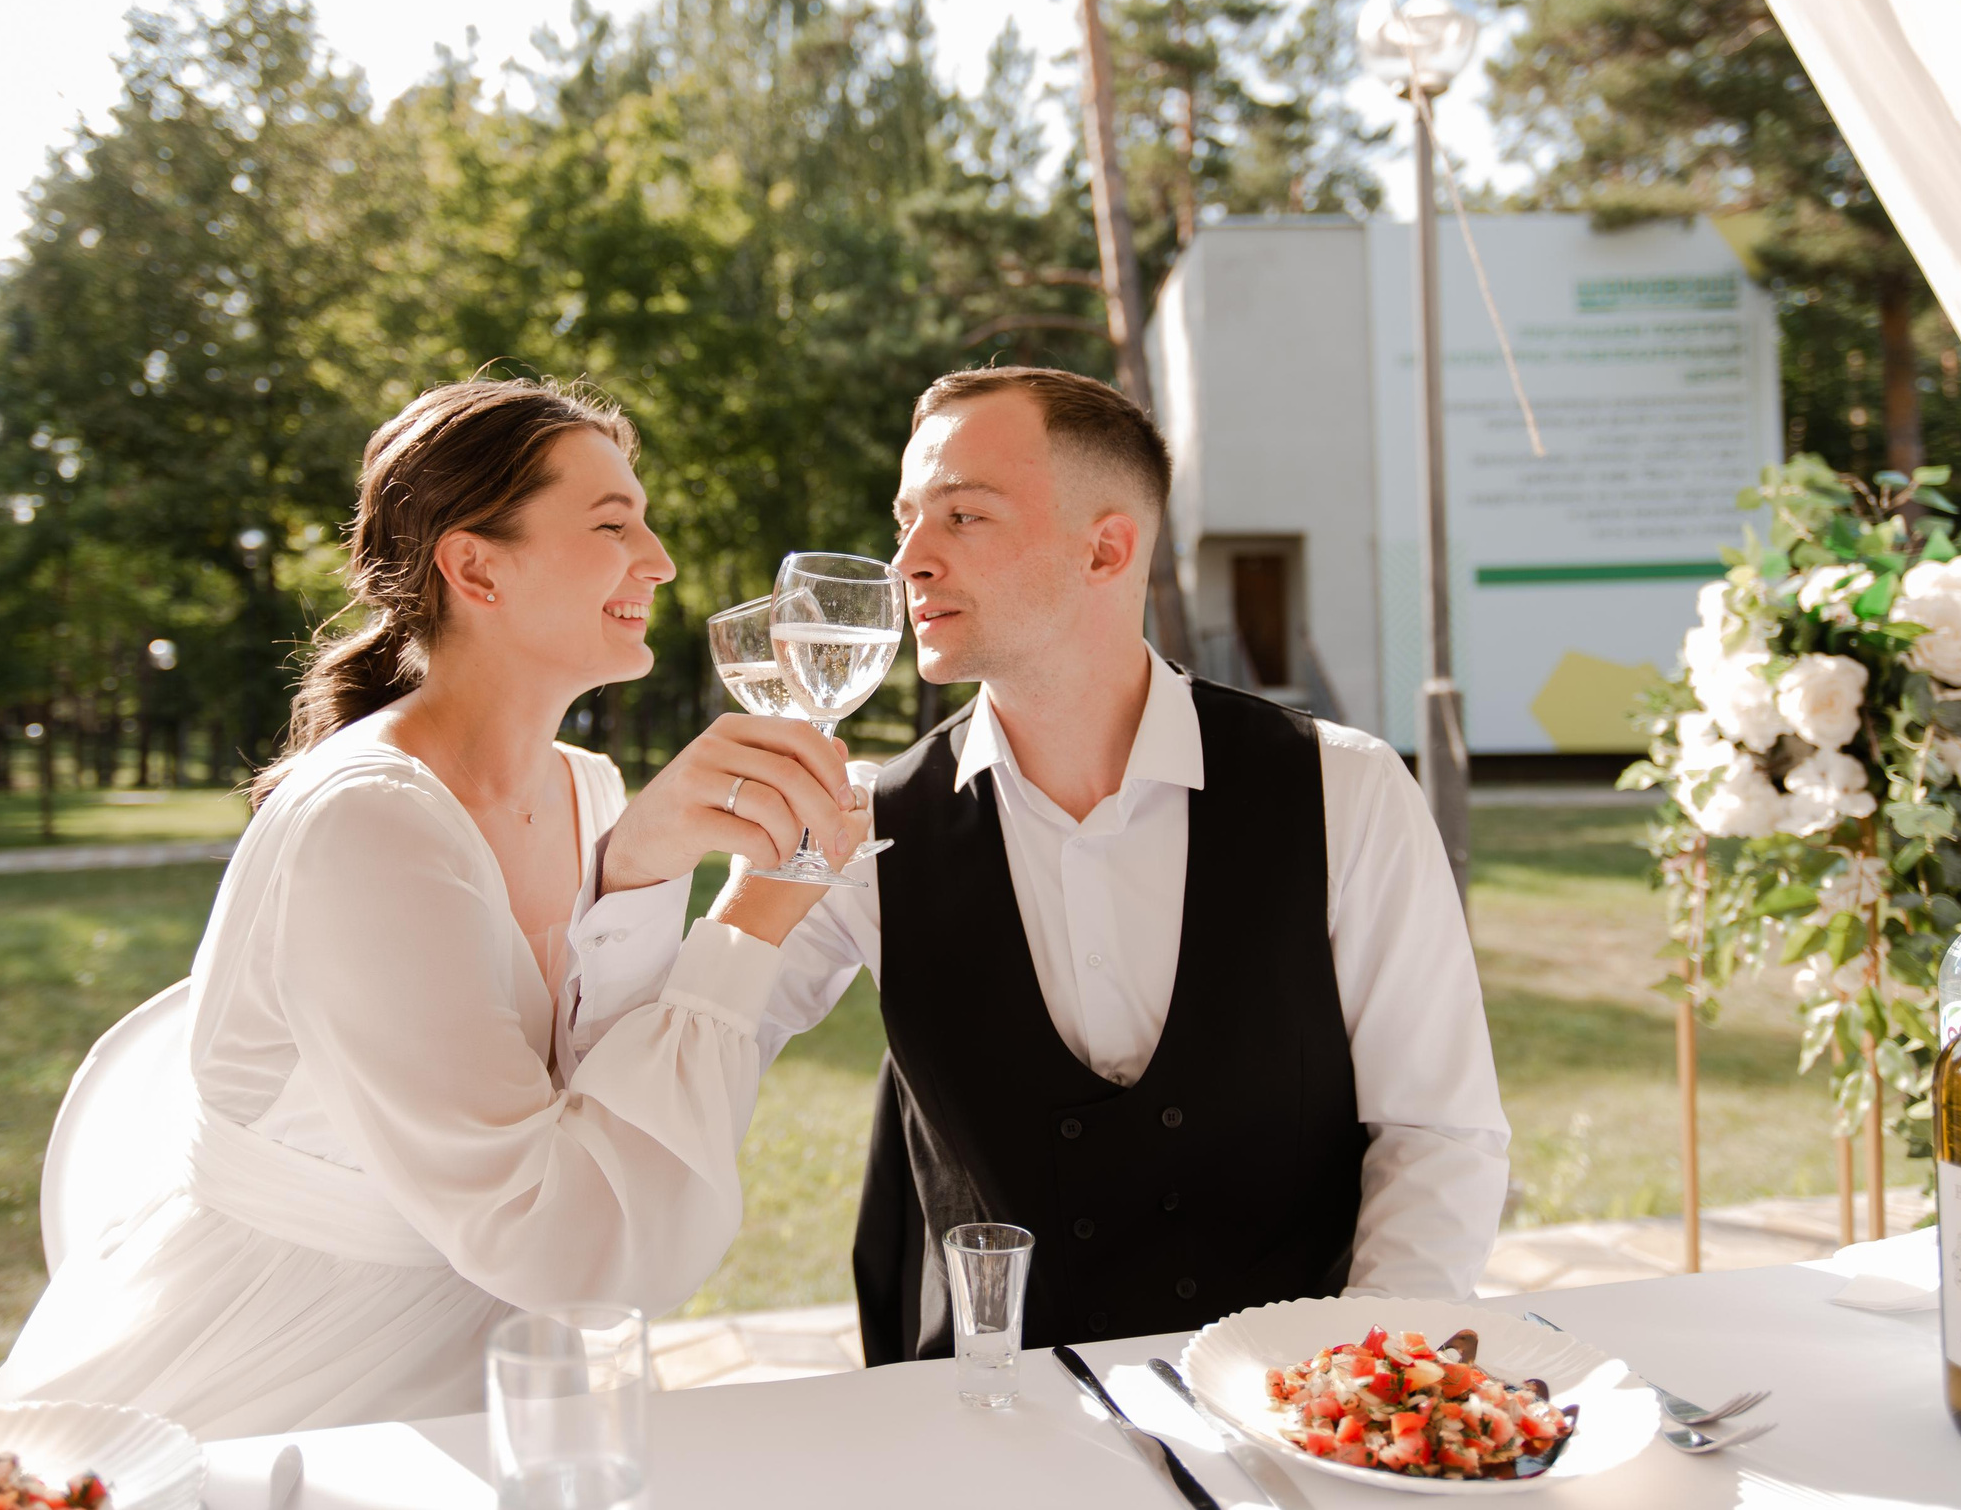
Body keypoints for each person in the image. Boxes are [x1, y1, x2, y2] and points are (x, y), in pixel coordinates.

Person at [0, 375, 860, 1438]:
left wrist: (633, 869)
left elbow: (607, 1096)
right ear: (475, 565)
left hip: (485, 1371)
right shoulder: (370, 823)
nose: (660, 557)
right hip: (277, 1376)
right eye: (613, 521)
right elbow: (565, 1236)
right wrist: (755, 913)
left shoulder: (589, 787)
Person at [579, 365, 1508, 1362]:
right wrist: (645, 869)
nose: (909, 561)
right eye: (904, 522)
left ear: (1105, 549)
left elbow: (1437, 1135)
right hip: (983, 1421)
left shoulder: (1346, 790)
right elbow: (677, 1086)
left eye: (963, 516)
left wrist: (1357, 1378)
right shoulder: (864, 829)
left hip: (1287, 1416)